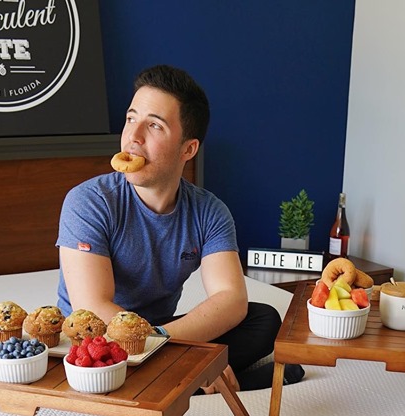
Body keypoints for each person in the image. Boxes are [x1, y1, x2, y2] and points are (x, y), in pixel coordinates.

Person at [56, 64, 302, 391]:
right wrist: (186, 354)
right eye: (131, 118)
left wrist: (160, 340)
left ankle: (170, 376)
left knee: (263, 320)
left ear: (188, 149)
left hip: (158, 331)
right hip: (94, 338)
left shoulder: (209, 211)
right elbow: (94, 308)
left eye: (154, 125)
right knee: (99, 359)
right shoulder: (89, 201)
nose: (133, 137)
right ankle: (202, 379)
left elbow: (230, 299)